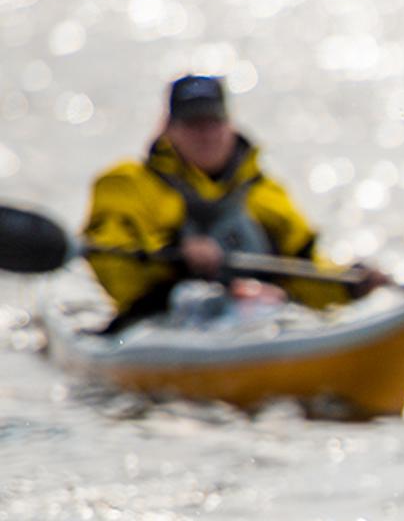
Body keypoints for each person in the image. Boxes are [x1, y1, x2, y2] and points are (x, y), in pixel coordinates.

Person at [82, 75, 377, 330]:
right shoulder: (126, 184)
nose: (206, 135)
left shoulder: (264, 192)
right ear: (169, 129)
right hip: (164, 321)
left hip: (259, 319)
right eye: (193, 124)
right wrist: (175, 255)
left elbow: (305, 267)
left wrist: (350, 283)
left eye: (213, 122)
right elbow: (113, 267)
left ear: (229, 125)